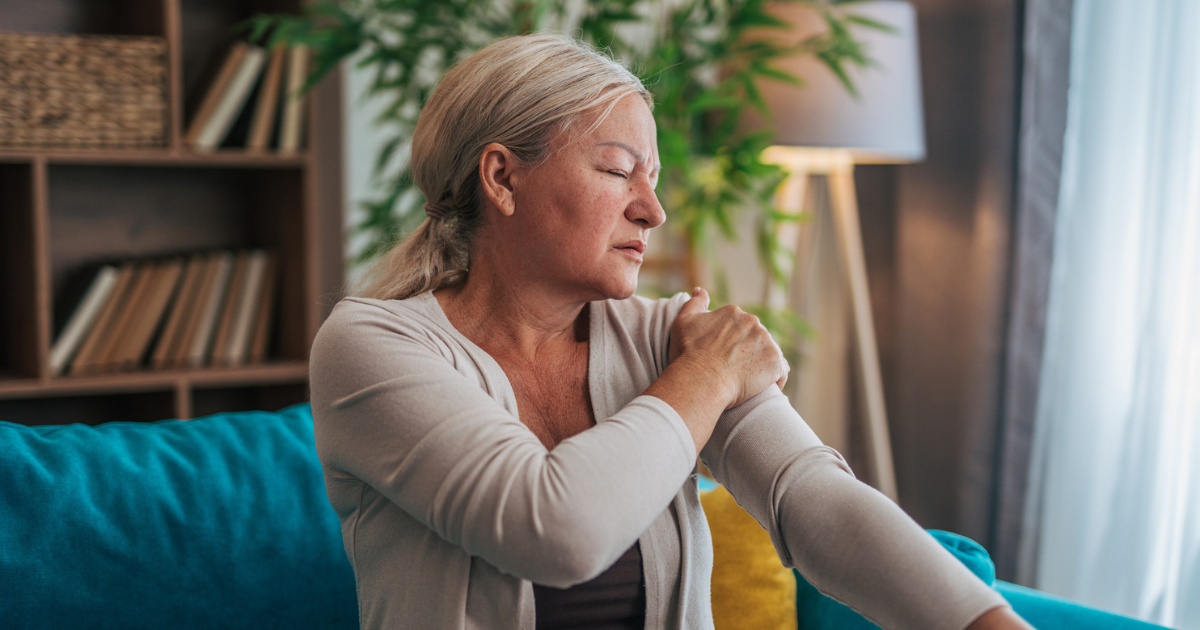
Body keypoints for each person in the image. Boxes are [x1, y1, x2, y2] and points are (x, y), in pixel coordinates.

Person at [309, 33, 1034, 630]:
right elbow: (556, 530)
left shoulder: (666, 338)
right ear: (501, 178)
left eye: (653, 179)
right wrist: (710, 376)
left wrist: (988, 624)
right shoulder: (371, 347)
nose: (652, 212)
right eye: (620, 171)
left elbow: (813, 500)